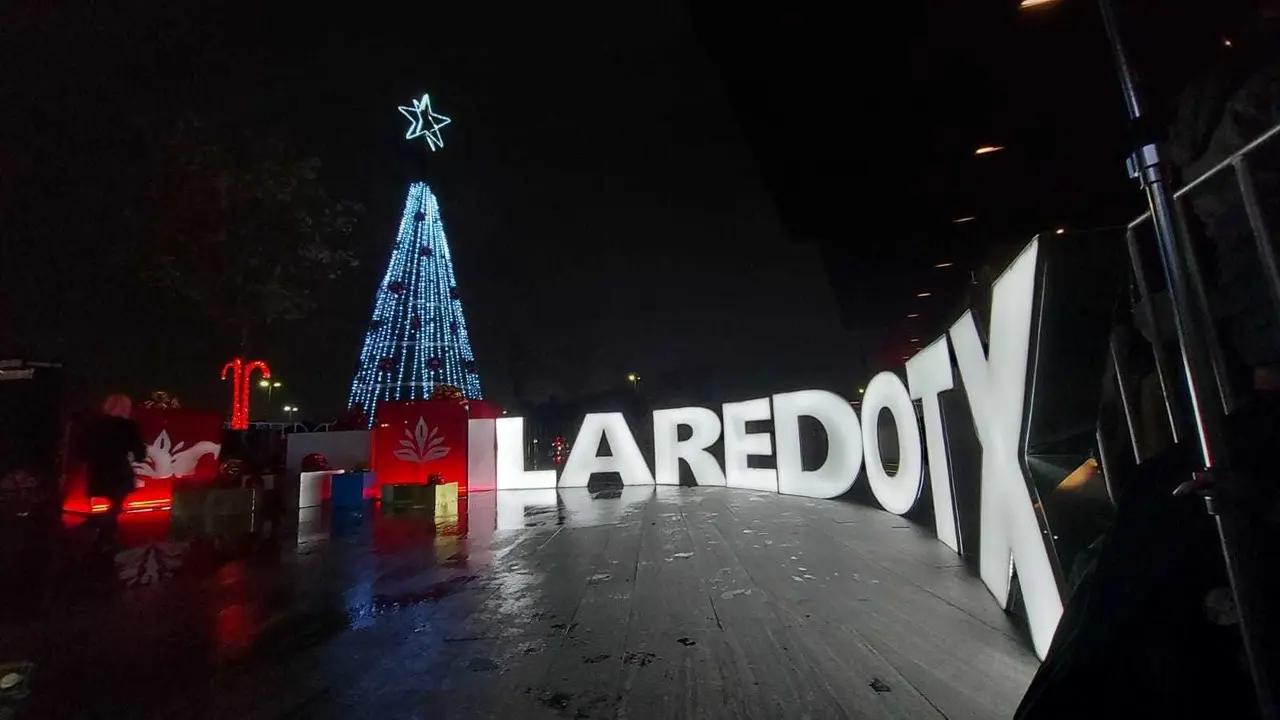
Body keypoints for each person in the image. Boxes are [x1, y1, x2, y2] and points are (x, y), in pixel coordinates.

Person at [82, 394, 147, 552]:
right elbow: (139, 451)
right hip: (118, 470)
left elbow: (81, 450)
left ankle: (101, 531)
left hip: (97, 470)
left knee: (114, 504)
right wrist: (139, 455)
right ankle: (104, 533)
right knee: (117, 503)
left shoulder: (94, 425)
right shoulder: (127, 426)